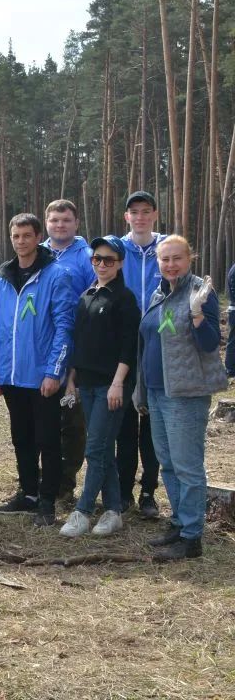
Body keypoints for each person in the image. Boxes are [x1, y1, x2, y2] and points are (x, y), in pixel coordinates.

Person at [133, 236, 224, 559]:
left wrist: (198, 315)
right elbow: (148, 342)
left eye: (176, 259)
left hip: (185, 394)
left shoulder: (201, 292)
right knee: (168, 464)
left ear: (190, 258)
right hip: (158, 392)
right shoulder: (160, 292)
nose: (170, 264)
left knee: (187, 467)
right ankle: (178, 523)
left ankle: (191, 537)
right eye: (165, 259)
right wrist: (141, 389)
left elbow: (211, 343)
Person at [0, 213, 76, 526]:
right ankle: (26, 493)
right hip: (12, 375)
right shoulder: (3, 276)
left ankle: (46, 501)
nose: (21, 241)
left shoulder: (56, 275)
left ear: (38, 237)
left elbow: (64, 327)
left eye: (27, 235)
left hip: (42, 377)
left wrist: (54, 372)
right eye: (16, 236)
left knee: (47, 440)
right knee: (21, 437)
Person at [60, 235, 139, 538]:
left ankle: (82, 510)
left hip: (111, 385)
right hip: (87, 384)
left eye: (109, 259)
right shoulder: (87, 295)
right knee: (102, 448)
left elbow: (128, 346)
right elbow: (80, 343)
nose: (102, 264)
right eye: (97, 259)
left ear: (119, 263)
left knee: (95, 449)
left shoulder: (124, 298)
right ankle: (114, 510)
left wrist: (118, 383)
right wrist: (71, 380)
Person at [119, 191, 166, 519]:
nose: (140, 217)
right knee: (123, 423)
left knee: (150, 423)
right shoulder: (117, 248)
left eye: (145, 211)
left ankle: (148, 491)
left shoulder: (166, 248)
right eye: (134, 212)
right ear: (126, 216)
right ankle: (122, 491)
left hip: (158, 345)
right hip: (122, 346)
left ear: (154, 214)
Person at [43, 199, 91, 506]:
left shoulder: (87, 258)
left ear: (76, 223)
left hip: (75, 356)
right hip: (41, 354)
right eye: (55, 220)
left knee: (72, 421)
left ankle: (65, 484)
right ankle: (41, 480)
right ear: (47, 223)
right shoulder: (37, 254)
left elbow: (90, 307)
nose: (60, 225)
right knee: (43, 422)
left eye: (66, 220)